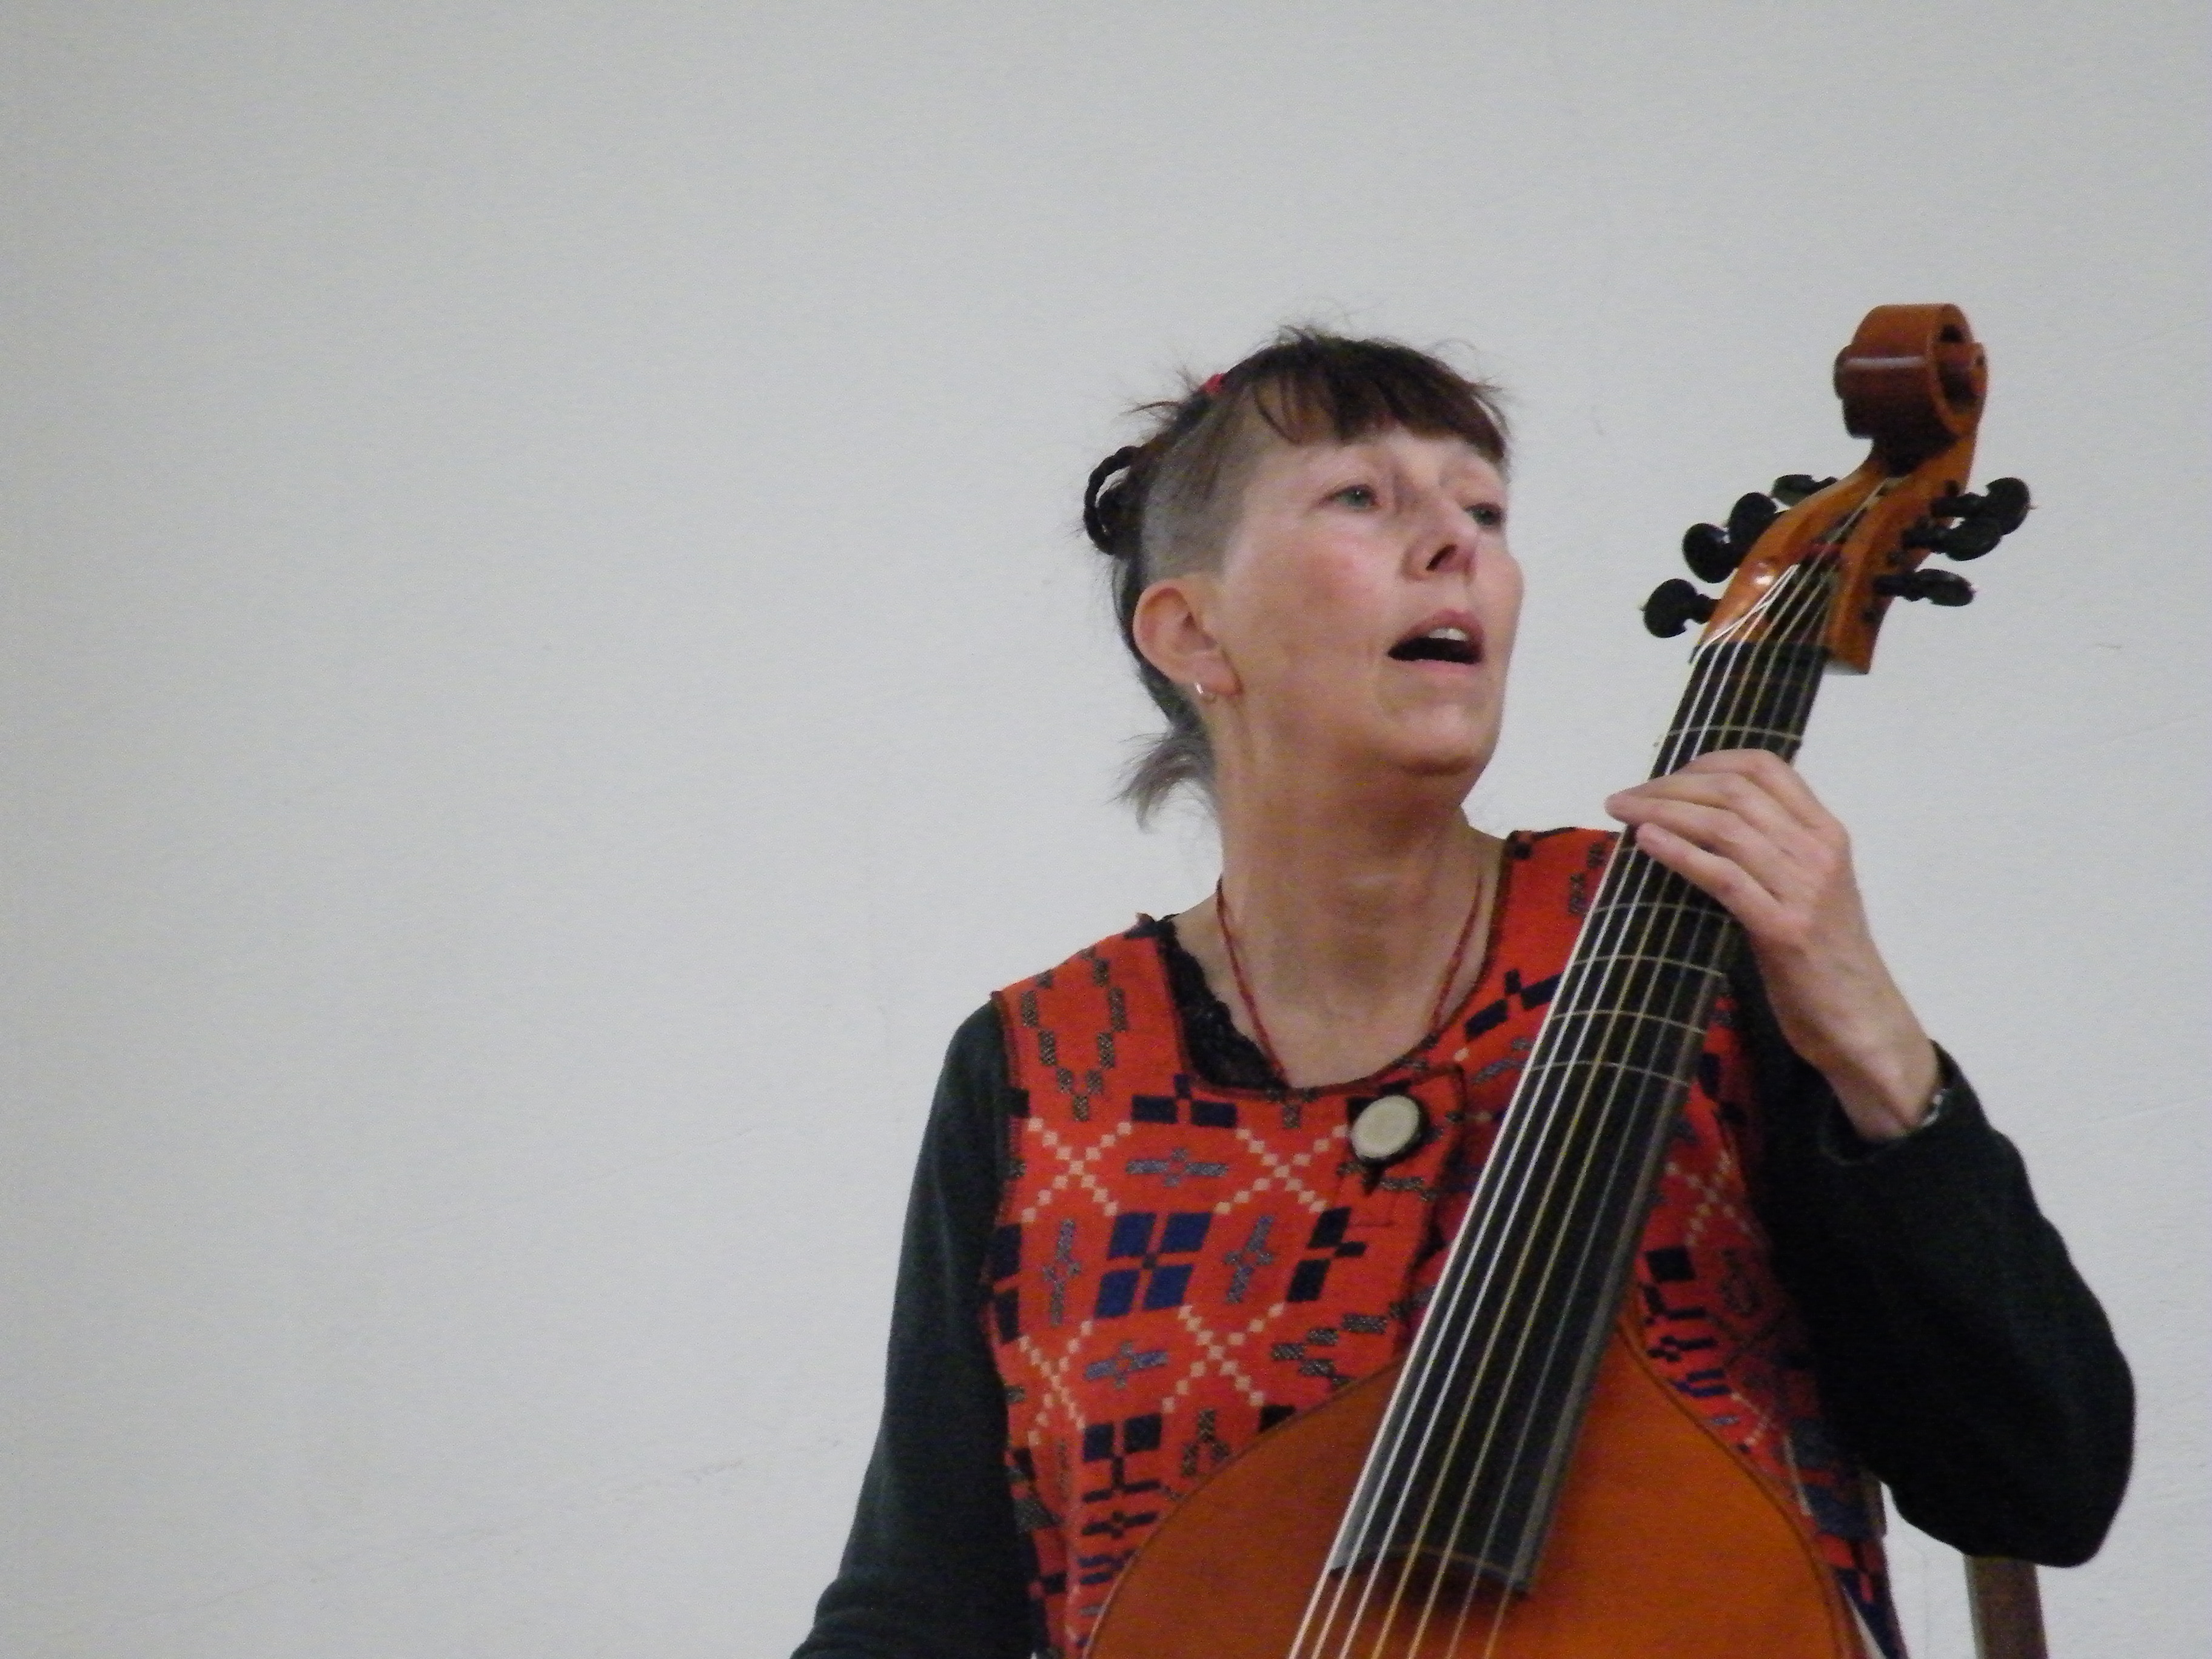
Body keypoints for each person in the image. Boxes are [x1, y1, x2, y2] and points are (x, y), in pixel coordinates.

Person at [793, 331, 2131, 1659]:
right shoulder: (1041, 1068)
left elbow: (2038, 1487)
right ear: (1193, 629)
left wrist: (1877, 1050)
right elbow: (917, 1614)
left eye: (1484, 510)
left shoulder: (1691, 960)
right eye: (1362, 497)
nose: (1455, 544)